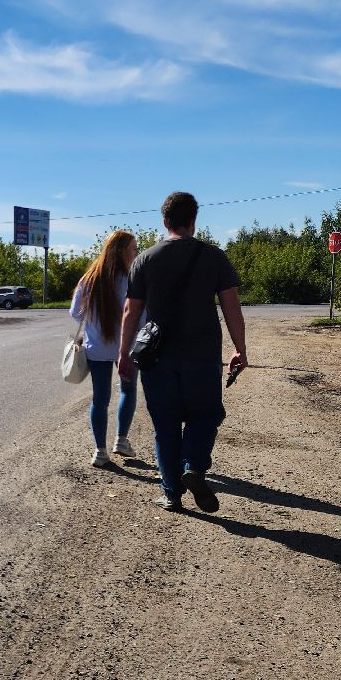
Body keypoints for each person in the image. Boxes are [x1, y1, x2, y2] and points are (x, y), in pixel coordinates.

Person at [118, 192, 247, 513]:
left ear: (165, 222)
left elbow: (130, 313)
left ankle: (171, 493)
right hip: (202, 355)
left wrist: (123, 355)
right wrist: (240, 349)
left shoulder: (145, 260)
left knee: (165, 424)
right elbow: (232, 306)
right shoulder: (214, 257)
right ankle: (193, 465)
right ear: (193, 220)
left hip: (157, 357)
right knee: (206, 415)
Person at [69, 229, 139, 467]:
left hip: (97, 348)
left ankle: (100, 451)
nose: (136, 253)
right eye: (133, 249)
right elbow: (139, 316)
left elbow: (75, 312)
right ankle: (121, 440)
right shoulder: (130, 279)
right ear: (121, 251)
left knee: (100, 399)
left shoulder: (89, 278)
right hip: (126, 349)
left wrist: (94, 327)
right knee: (128, 391)